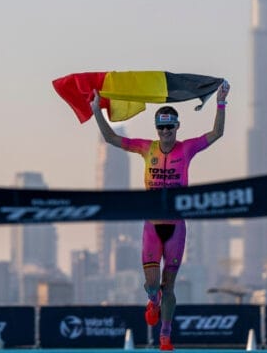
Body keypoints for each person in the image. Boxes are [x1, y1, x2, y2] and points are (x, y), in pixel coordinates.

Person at [90, 80, 230, 351]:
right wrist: (97, 109)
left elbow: (217, 133)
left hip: (176, 228)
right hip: (152, 228)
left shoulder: (186, 149)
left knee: (170, 285)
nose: (165, 132)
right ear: (157, 129)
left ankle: (165, 336)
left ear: (177, 127)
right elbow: (111, 139)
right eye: (161, 127)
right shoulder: (146, 148)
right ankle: (152, 300)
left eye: (170, 127)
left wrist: (221, 101)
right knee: (153, 284)